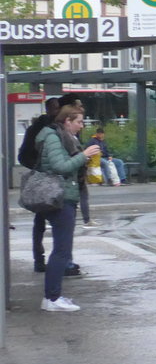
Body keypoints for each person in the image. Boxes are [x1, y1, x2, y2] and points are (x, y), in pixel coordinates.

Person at [36, 104, 101, 310]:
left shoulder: (62, 137)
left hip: (63, 196)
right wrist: (83, 156)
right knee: (62, 250)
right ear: (67, 121)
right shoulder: (55, 138)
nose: (82, 126)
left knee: (62, 249)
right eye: (79, 122)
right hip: (60, 198)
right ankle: (52, 298)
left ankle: (53, 296)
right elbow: (60, 167)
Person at [17, 98, 79, 275]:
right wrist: (40, 169)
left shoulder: (54, 129)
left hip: (55, 184)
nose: (56, 110)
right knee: (51, 226)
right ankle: (51, 261)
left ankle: (52, 260)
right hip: (50, 184)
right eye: (54, 108)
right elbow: (59, 162)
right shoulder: (49, 130)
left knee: (50, 225)